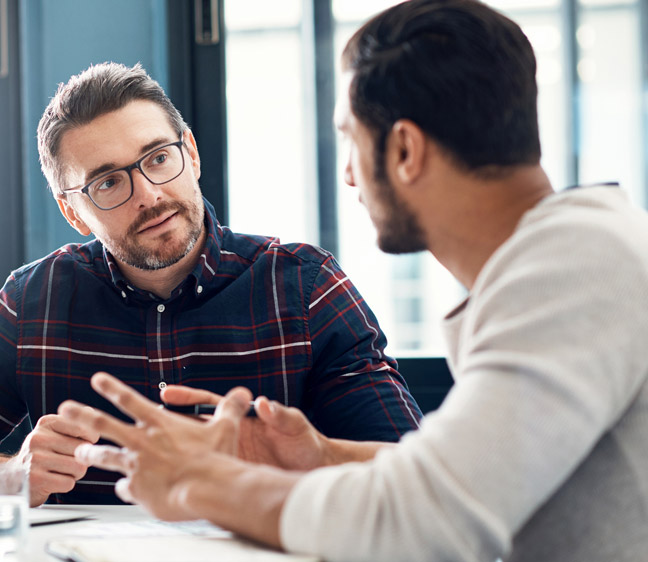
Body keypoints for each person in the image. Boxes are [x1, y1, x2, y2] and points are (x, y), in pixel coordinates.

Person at [58, 1, 648, 560]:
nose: (346, 175)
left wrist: (204, 485)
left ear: (405, 151)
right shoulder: (572, 257)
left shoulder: (575, 268)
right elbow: (463, 477)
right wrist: (318, 455)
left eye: (349, 138)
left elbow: (428, 521)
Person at [0, 62, 422, 506]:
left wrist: (306, 458)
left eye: (159, 157)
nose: (148, 193)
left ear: (191, 153)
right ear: (72, 212)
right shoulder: (31, 302)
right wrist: (9, 475)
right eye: (108, 183)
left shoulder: (306, 287)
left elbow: (412, 475)